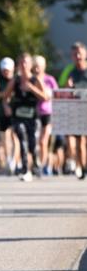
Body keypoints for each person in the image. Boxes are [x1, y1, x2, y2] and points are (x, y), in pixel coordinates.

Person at [3, 52, 49, 181]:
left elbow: (45, 97)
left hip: (33, 116)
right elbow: (5, 97)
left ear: (30, 65)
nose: (23, 65)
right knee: (22, 137)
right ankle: (25, 169)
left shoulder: (35, 80)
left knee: (33, 143)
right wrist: (6, 107)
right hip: (18, 116)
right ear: (18, 65)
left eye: (26, 62)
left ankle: (35, 164)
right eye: (21, 62)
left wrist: (32, 88)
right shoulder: (15, 80)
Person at [60, 41, 87, 178]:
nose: (77, 56)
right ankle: (81, 168)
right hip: (75, 111)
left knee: (83, 142)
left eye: (80, 53)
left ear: (85, 54)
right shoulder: (69, 71)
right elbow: (60, 91)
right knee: (77, 141)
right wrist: (67, 86)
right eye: (75, 54)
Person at [0, 57, 19, 174]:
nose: (6, 72)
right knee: (5, 137)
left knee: (15, 136)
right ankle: (9, 159)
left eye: (8, 70)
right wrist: (4, 94)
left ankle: (15, 160)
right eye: (4, 70)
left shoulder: (17, 80)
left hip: (16, 113)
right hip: (2, 114)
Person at [32, 54, 56, 175]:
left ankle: (42, 165)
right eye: (34, 66)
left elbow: (54, 95)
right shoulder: (30, 79)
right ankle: (34, 164)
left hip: (47, 113)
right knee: (34, 141)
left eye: (39, 66)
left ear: (44, 67)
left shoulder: (50, 80)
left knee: (43, 141)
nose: (36, 69)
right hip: (34, 113)